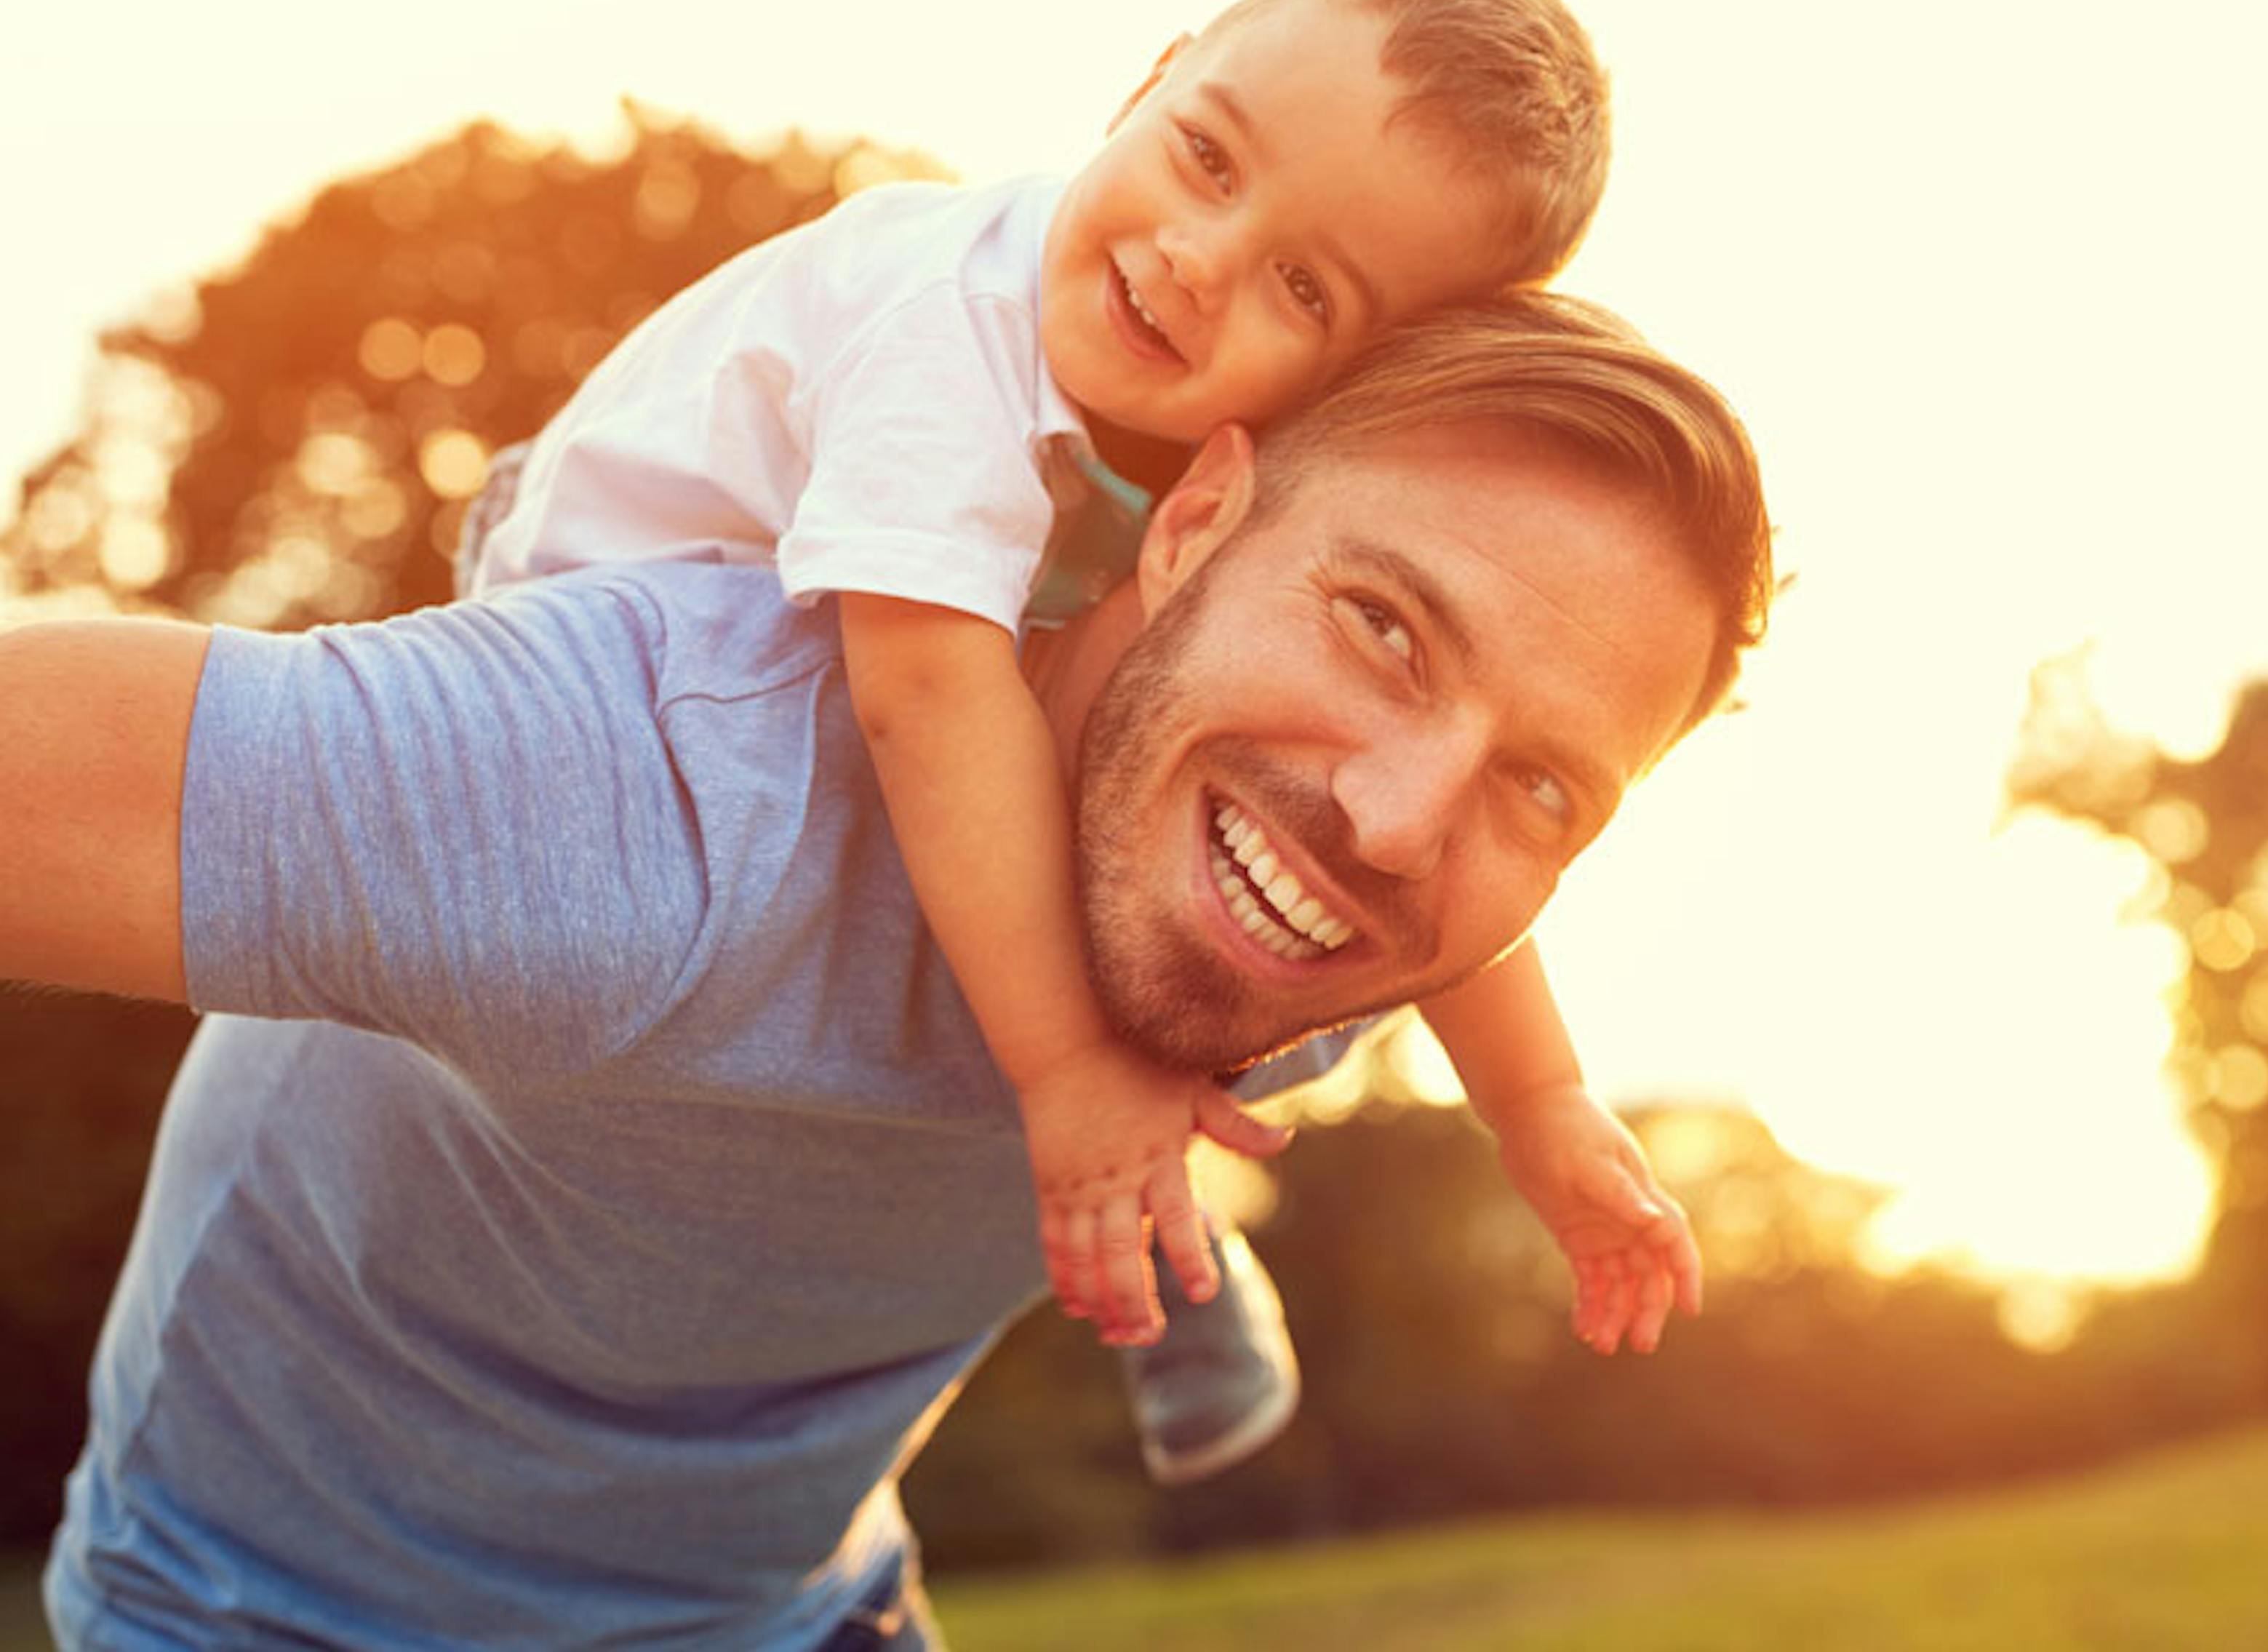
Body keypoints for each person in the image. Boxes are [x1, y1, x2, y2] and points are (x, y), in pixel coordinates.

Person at [3, 292, 1775, 1648]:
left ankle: (1188, 1270)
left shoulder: (1325, 918)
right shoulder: (650, 798)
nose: (1394, 822)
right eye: (1381, 624)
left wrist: (1547, 1122)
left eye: (1538, 783)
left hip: (788, 1602)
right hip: (276, 1608)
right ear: (1190, 519)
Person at [454, 0, 1688, 1483]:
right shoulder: (942, 329)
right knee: (1048, 927)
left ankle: (1165, 1251)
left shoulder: (1206, 430)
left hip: (851, 668)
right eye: (1207, 157)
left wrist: (1543, 1101)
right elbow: (920, 688)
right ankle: (1146, 1230)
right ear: (1153, 78)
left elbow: (1425, 772)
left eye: (1305, 284)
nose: (1198, 257)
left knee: (1236, 850)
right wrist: (1069, 1072)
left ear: (1357, 388)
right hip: (605, 656)